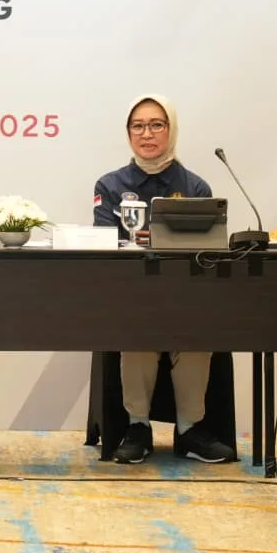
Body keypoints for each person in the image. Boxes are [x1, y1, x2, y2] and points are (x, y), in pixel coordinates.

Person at [92, 93, 234, 465]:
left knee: (196, 336)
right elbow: (105, 244)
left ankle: (190, 430)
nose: (147, 133)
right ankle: (137, 427)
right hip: (131, 296)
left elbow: (207, 252)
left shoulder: (196, 187)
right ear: (128, 133)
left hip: (185, 296)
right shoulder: (110, 185)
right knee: (137, 335)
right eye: (138, 126)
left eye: (156, 124)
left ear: (171, 130)